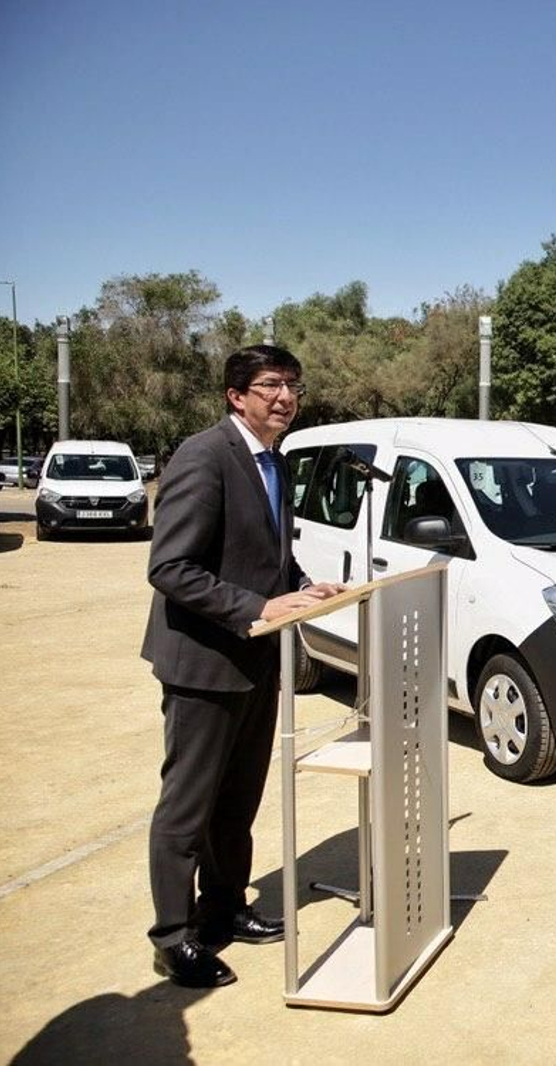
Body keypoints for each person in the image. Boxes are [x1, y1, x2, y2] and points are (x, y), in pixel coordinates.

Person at [142, 346, 345, 988]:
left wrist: (306, 586)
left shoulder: (274, 463)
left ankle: (224, 908)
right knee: (188, 809)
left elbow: (263, 558)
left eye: (293, 385)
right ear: (236, 396)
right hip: (203, 664)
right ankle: (174, 938)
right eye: (269, 385)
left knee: (237, 803)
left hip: (258, 659)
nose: (284, 397)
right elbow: (170, 567)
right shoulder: (204, 457)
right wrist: (259, 605)